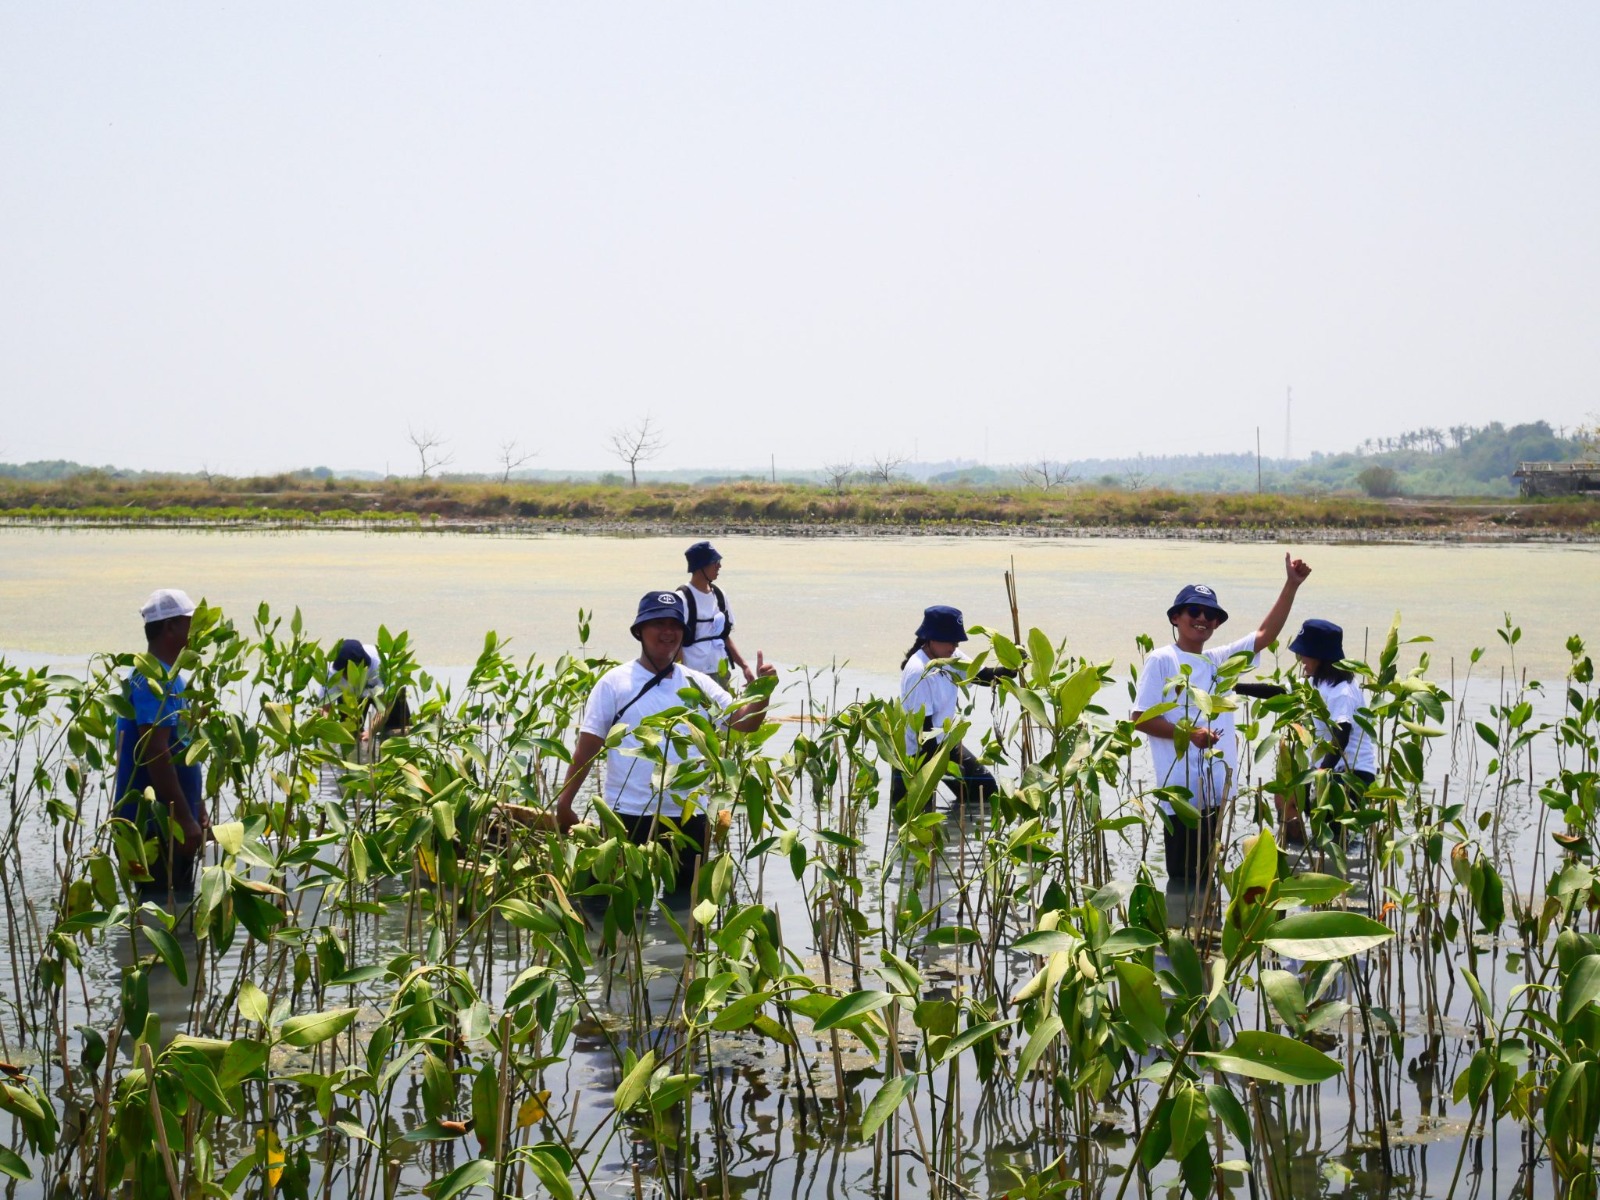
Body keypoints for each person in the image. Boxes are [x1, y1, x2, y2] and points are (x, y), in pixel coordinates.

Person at [554, 590, 776, 894]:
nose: (667, 632)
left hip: (688, 816)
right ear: (639, 631)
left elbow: (745, 723)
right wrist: (564, 803)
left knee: (685, 908)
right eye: (658, 623)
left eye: (675, 625)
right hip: (627, 815)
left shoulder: (697, 682)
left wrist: (764, 692)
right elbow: (587, 749)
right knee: (617, 904)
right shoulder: (614, 683)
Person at [1132, 554, 1312, 882]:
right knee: (1185, 881)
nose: (1203, 619)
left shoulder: (1219, 662)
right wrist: (1188, 735)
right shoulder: (1161, 660)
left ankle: (1206, 930)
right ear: (1175, 617)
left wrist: (1291, 585)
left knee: (1206, 877)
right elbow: (1140, 719)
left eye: (1211, 615)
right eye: (1194, 611)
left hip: (1215, 792)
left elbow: (1264, 635)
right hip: (1180, 797)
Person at [113, 588, 210, 893]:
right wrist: (183, 817)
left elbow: (179, 748)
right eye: (190, 623)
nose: (196, 630)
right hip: (154, 825)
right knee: (160, 915)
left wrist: (198, 810)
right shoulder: (155, 679)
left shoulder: (165, 675)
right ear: (170, 627)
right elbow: (156, 751)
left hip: (168, 821)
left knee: (169, 909)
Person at [891, 605, 1010, 810]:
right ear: (931, 638)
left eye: (957, 641)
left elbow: (980, 676)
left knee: (984, 792)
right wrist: (938, 774)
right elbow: (924, 731)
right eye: (951, 640)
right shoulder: (918, 671)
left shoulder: (950, 656)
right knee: (914, 815)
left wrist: (1012, 668)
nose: (955, 645)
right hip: (916, 754)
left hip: (944, 742)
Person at [1279, 619, 1377, 841]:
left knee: (1334, 839)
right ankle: (1302, 860)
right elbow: (1278, 692)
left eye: (1305, 654)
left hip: (1350, 775)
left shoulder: (1342, 691)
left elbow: (1341, 735)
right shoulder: (1315, 683)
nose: (1301, 659)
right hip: (1327, 771)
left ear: (1320, 657)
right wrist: (1236, 687)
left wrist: (1321, 774)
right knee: (1288, 801)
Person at [678, 541, 754, 686]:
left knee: (724, 709)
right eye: (715, 562)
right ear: (700, 566)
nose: (719, 566)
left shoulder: (719, 595)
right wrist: (681, 677)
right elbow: (676, 643)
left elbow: (724, 636)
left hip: (721, 671)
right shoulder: (682, 598)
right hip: (694, 675)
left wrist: (744, 667)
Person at [321, 637, 410, 741]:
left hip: (381, 695)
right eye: (344, 675)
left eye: (348, 674)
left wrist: (371, 731)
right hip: (352, 696)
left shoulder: (382, 666)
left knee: (397, 729)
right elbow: (324, 709)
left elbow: (386, 707)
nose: (346, 678)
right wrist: (333, 729)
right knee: (350, 735)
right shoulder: (333, 671)